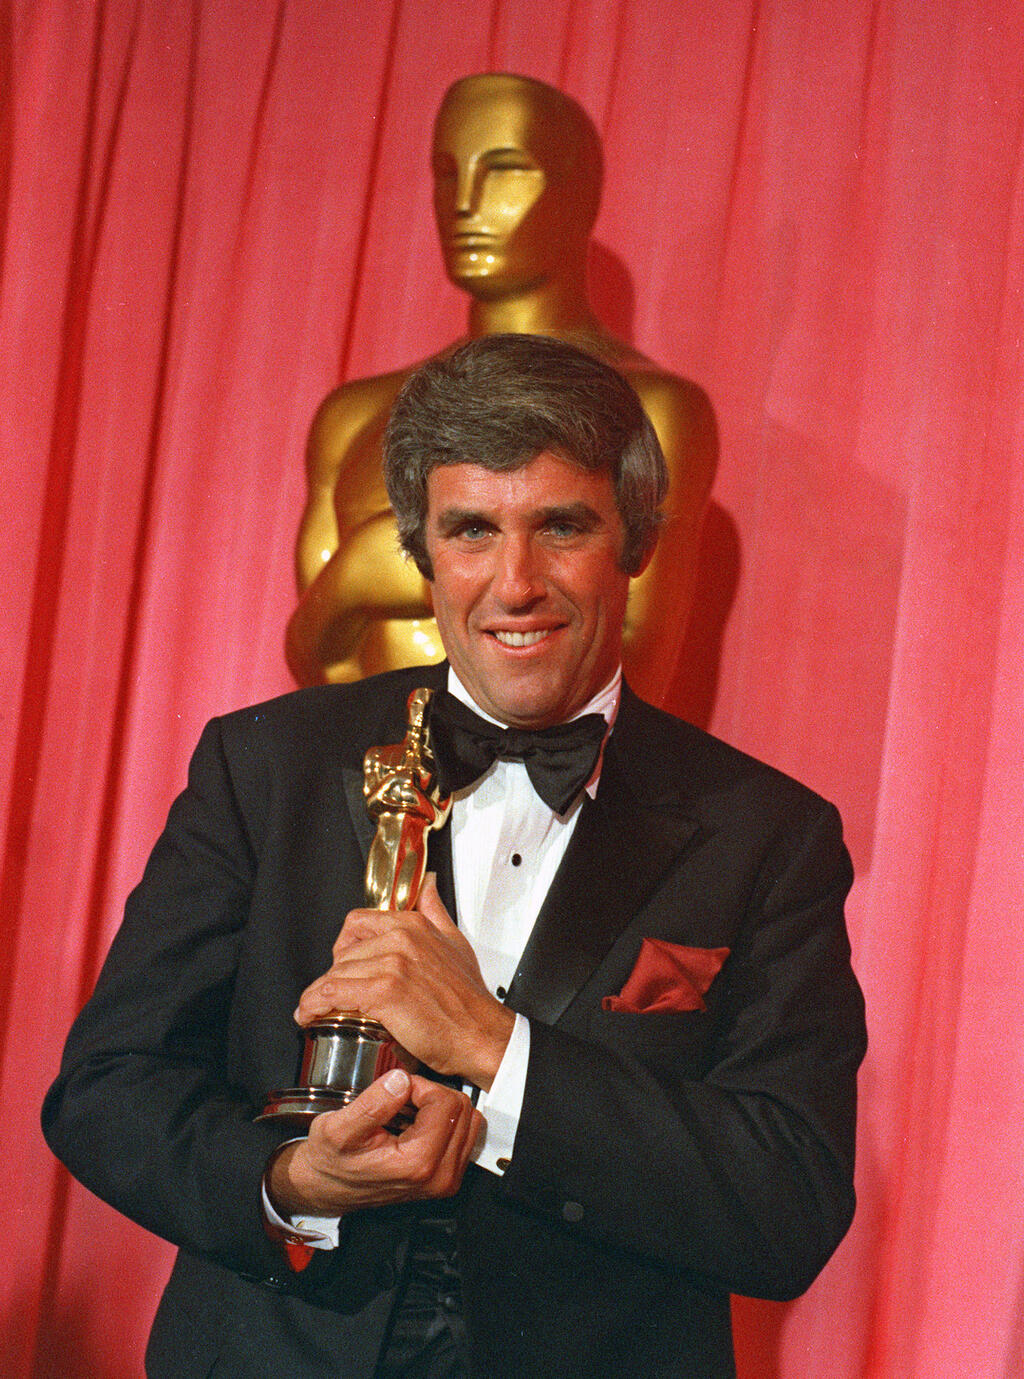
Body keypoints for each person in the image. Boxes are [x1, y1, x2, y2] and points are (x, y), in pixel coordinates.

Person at [43, 335, 866, 1379]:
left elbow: (785, 1204)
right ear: (423, 550)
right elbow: (108, 1087)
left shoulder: (767, 832)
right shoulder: (265, 766)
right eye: (471, 529)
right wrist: (291, 1179)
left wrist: (493, 1044)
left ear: (636, 540)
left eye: (560, 526)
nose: (513, 582)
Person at [286, 72, 717, 703]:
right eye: (445, 172)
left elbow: (636, 656)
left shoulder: (652, 410)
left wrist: (388, 570)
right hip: (372, 786)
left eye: (506, 170)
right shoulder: (352, 416)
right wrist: (353, 579)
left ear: (582, 193)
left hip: (559, 792)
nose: (465, 201)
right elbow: (315, 667)